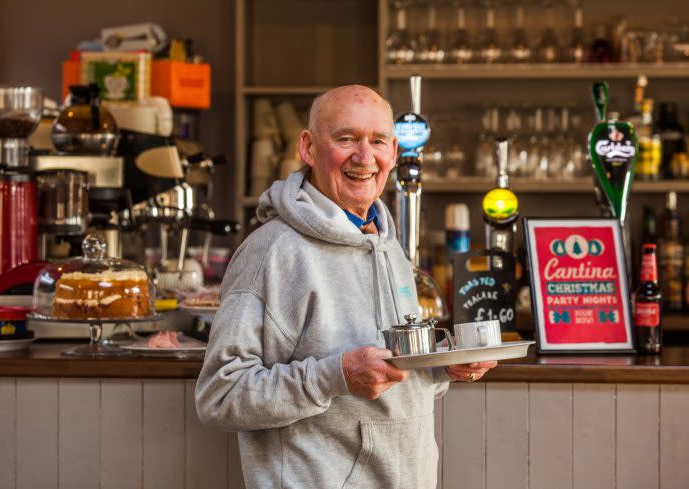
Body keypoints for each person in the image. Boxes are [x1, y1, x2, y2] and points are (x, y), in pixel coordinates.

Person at [195, 85, 496, 489]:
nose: (364, 157)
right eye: (346, 138)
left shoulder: (389, 247)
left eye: (378, 141)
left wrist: (440, 368)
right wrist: (334, 376)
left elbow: (393, 385)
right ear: (307, 146)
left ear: (393, 151)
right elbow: (220, 395)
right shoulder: (272, 252)